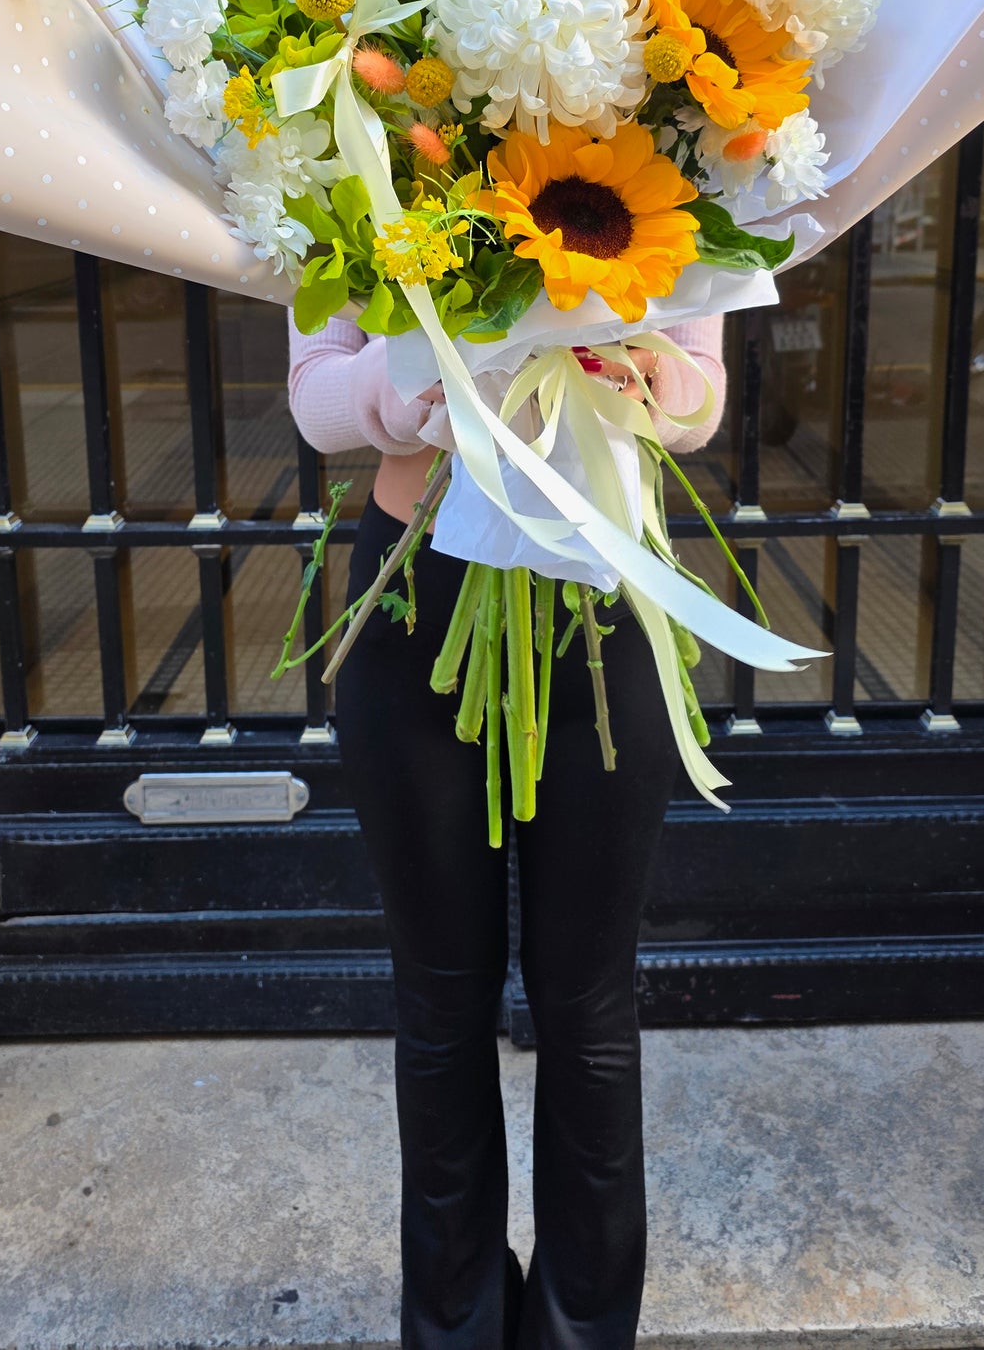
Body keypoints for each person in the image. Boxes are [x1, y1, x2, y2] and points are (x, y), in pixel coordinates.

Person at [287, 313, 726, 1349]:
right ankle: (453, 1328)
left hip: (603, 597)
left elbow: (702, 394)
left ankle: (582, 1329)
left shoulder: (669, 151)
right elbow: (312, 393)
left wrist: (642, 373)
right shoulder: (360, 156)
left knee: (587, 1000)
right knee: (439, 1001)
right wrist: (412, 394)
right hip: (416, 600)